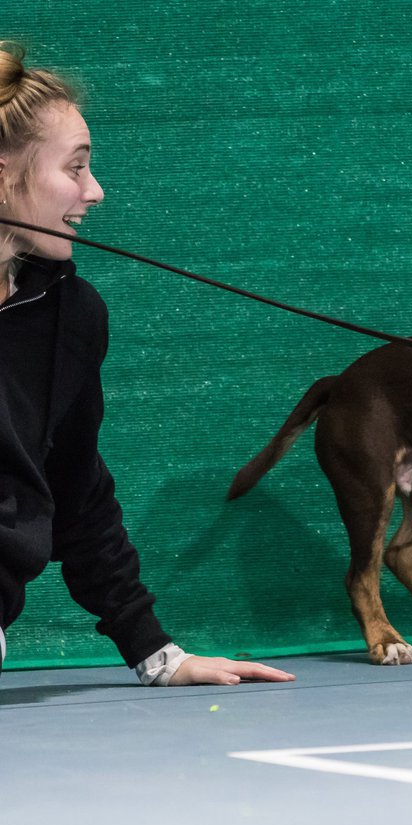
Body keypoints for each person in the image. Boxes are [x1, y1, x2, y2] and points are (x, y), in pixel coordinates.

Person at [0, 42, 294, 686]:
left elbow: (78, 490)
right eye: (75, 169)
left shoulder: (70, 316)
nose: (95, 192)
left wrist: (156, 653)